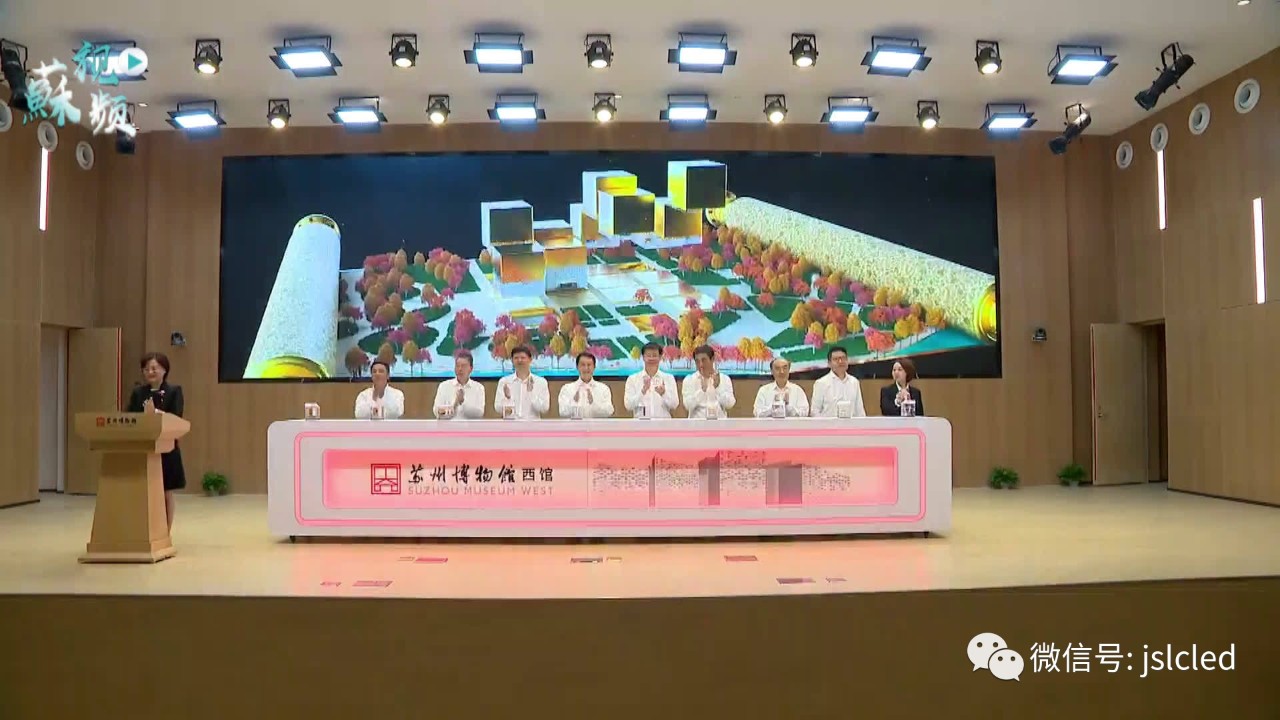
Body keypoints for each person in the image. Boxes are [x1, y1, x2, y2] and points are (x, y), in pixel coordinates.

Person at [126, 352, 186, 531]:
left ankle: (165, 532)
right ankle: (144, 531)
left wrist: (156, 414)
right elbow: (129, 417)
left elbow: (176, 417)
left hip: (167, 449)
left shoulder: (174, 391)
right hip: (143, 448)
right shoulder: (138, 393)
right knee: (144, 492)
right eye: (146, 369)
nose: (150, 372)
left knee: (166, 492)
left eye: (154, 368)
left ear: (164, 370)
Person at [623, 342, 678, 418]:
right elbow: (628, 406)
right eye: (648, 355)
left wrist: (664, 394)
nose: (651, 358)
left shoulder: (668, 378)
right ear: (643, 357)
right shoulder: (632, 379)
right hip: (640, 424)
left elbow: (674, 405)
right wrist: (642, 391)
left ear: (660, 357)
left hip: (663, 423)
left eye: (654, 355)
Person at [495, 345, 550, 419]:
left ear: (530, 360)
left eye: (523, 358)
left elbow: (544, 409)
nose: (519, 360)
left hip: (532, 424)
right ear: (512, 361)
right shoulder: (504, 382)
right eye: (516, 358)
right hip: (510, 424)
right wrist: (508, 400)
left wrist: (531, 393)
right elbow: (497, 407)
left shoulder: (541, 382)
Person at [810, 346, 866, 418]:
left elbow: (860, 411)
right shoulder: (821, 383)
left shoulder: (854, 382)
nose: (840, 362)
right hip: (828, 424)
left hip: (851, 424)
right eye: (836, 359)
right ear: (829, 363)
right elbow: (814, 411)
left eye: (843, 358)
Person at [682, 345, 735, 419]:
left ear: (712, 359)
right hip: (697, 423)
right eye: (697, 361)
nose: (701, 364)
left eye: (704, 360)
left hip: (719, 423)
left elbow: (730, 404)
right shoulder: (689, 380)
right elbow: (688, 406)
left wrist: (717, 388)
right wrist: (702, 391)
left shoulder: (724, 379)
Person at [558, 352, 615, 418]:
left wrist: (593, 403)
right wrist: (574, 402)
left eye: (589, 365)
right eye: (583, 365)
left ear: (594, 367)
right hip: (574, 425)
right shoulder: (567, 388)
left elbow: (609, 411)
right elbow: (562, 412)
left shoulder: (603, 388)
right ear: (577, 367)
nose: (586, 368)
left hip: (596, 425)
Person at [433, 350, 486, 419]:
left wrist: (463, 402)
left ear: (471, 368)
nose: (460, 369)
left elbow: (479, 413)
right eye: (457, 366)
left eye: (463, 366)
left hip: (470, 426)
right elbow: (437, 412)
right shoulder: (444, 386)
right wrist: (455, 404)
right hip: (449, 425)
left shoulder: (479, 388)